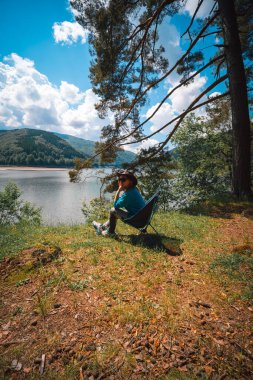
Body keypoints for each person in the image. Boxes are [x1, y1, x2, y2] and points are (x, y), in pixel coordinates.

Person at [92, 170, 145, 236]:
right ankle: (102, 227)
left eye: (123, 179)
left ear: (130, 181)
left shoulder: (129, 194)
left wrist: (119, 190)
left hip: (137, 221)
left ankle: (110, 232)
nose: (120, 181)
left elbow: (115, 206)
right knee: (117, 211)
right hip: (142, 218)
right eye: (120, 179)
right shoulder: (133, 189)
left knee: (113, 210)